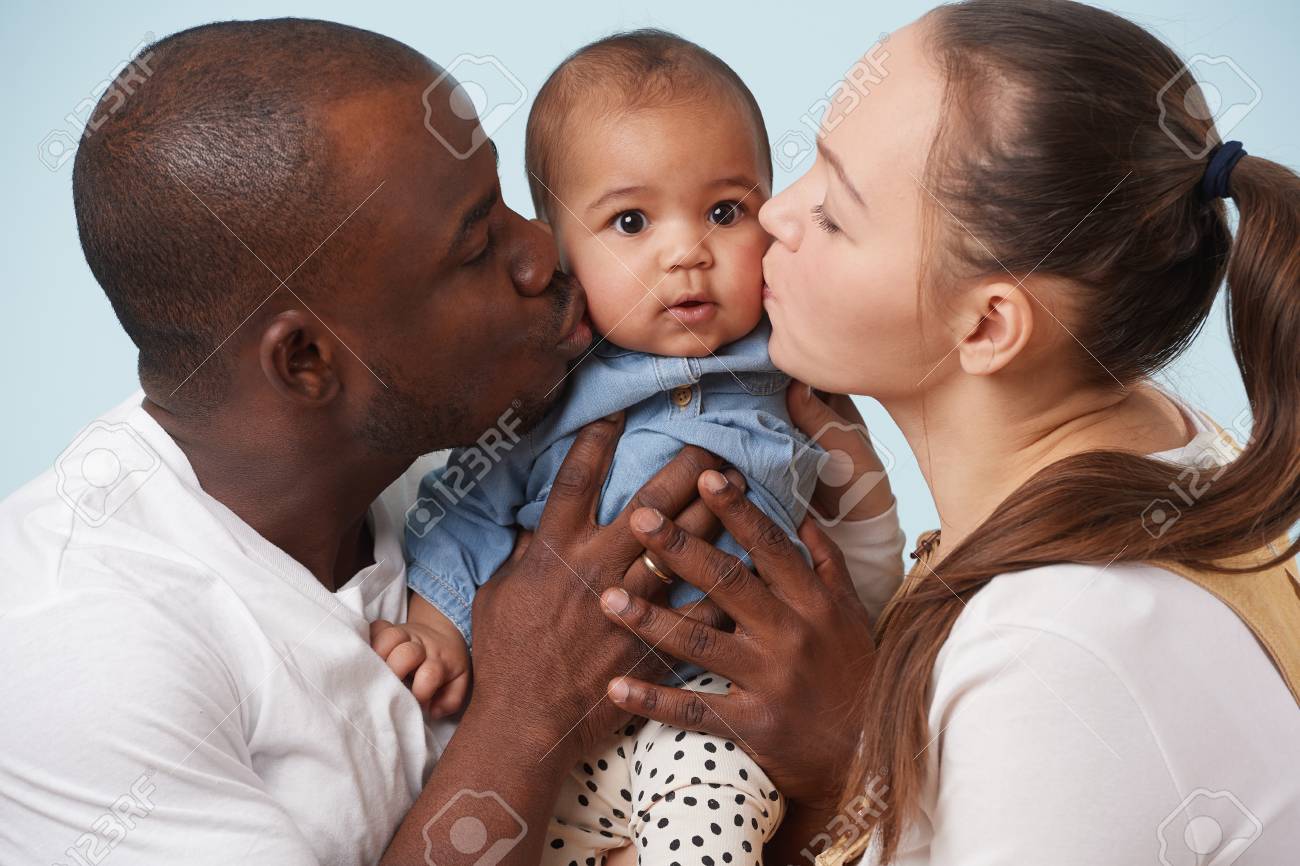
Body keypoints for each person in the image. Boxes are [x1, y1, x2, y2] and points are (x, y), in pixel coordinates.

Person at [0, 18, 891, 866]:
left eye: (509, 203)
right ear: (309, 360)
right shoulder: (76, 647)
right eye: (477, 245)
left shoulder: (466, 435)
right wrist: (530, 711)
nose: (546, 252)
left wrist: (835, 757)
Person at [600, 1, 1300, 863]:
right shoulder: (1161, 441)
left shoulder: (1057, 660)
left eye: (834, 214)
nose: (776, 213)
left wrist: (853, 769)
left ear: (988, 327)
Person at [380, 29, 903, 866]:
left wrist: (868, 634)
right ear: (558, 250)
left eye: (726, 212)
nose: (687, 252)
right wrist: (435, 623)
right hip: (546, 726)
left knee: (711, 825)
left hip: (720, 708)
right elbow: (470, 500)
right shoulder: (551, 386)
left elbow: (850, 550)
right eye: (631, 221)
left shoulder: (795, 357)